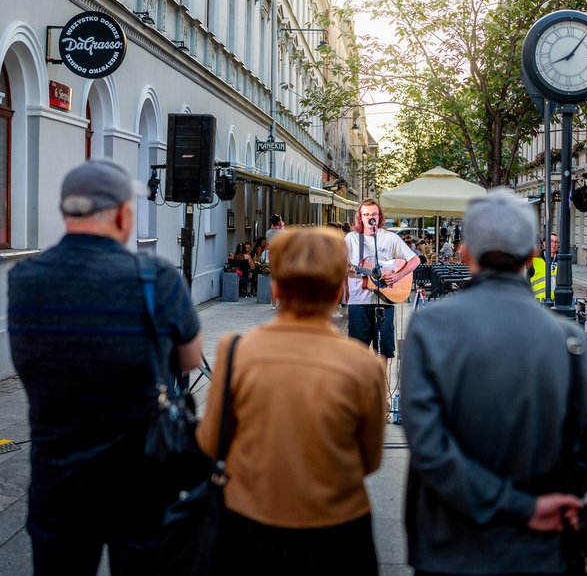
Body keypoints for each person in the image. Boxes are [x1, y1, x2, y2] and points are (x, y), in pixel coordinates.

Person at [401, 188, 587, 575]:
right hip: (537, 547)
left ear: (465, 252)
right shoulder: (569, 341)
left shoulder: (430, 328)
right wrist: (542, 502)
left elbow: (429, 447)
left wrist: (514, 504)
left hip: (449, 544)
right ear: (533, 255)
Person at [8, 159, 203, 576]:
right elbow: (189, 361)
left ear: (66, 212)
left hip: (57, 479)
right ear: (121, 213)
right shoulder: (156, 277)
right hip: (142, 480)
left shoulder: (25, 278)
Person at [197, 227, 386, 574]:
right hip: (338, 530)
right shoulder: (364, 365)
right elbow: (370, 459)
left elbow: (211, 443)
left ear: (277, 287)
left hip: (250, 523)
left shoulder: (236, 351)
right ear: (337, 292)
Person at [345, 199, 420, 359]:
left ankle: (380, 383)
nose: (370, 217)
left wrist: (397, 276)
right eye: (366, 214)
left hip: (384, 301)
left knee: (383, 352)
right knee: (356, 353)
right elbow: (343, 267)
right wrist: (345, 269)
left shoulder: (390, 238)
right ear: (360, 217)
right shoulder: (351, 239)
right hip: (358, 301)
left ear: (379, 217)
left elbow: (415, 260)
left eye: (373, 214)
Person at [528, 233, 559, 300]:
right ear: (545, 243)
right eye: (551, 241)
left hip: (556, 304)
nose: (554, 244)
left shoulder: (562, 261)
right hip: (538, 303)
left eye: (556, 242)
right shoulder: (535, 260)